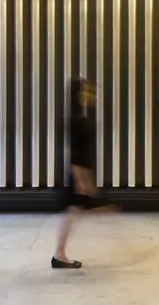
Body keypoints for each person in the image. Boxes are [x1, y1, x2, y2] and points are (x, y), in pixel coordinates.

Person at [52, 77, 112, 269]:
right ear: (79, 95)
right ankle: (59, 255)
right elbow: (76, 153)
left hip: (82, 174)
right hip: (79, 174)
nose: (91, 94)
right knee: (73, 212)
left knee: (75, 211)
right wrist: (82, 180)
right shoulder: (76, 121)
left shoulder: (79, 118)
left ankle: (59, 254)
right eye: (86, 91)